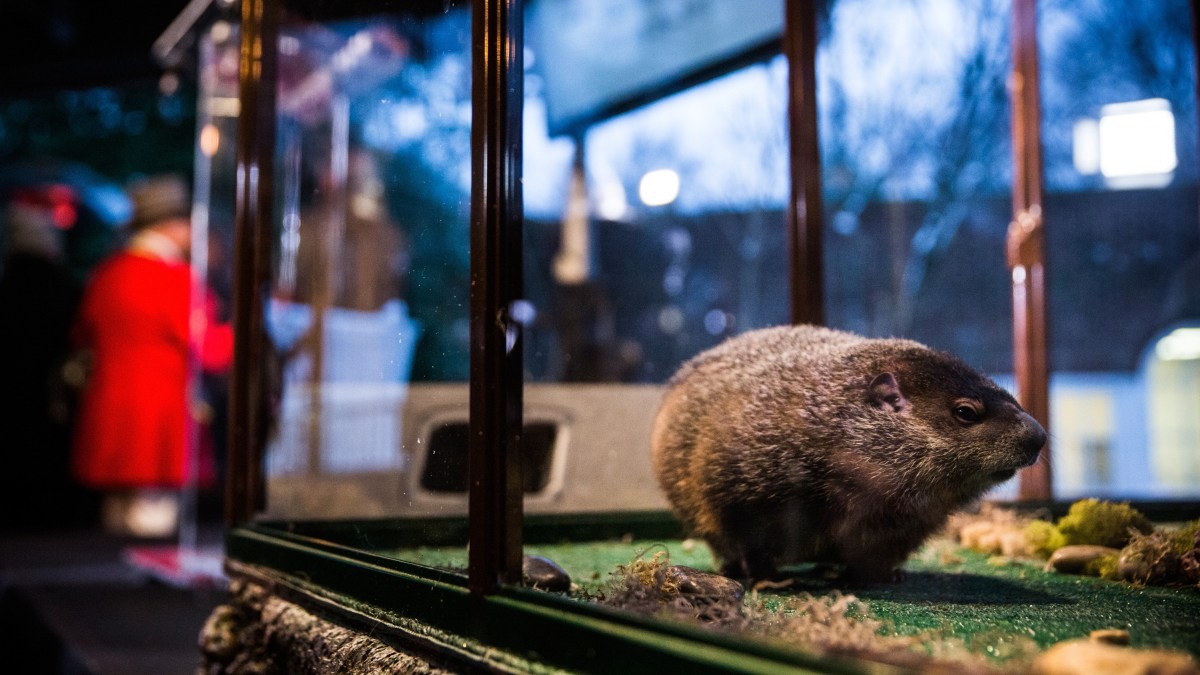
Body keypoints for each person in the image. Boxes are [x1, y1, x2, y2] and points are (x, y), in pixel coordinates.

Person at [70, 174, 232, 537]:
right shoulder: (176, 278)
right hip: (161, 424)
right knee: (153, 531)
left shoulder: (107, 273)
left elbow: (82, 336)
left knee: (113, 531)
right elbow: (212, 352)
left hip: (112, 416)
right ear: (172, 225)